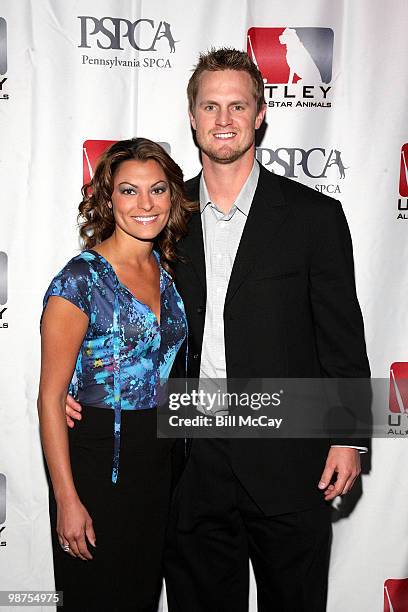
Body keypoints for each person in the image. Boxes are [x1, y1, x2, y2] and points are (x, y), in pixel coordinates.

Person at [65, 50, 370, 612]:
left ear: (259, 114)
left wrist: (348, 436)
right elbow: (110, 296)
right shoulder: (162, 211)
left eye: (237, 105)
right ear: (193, 116)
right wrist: (80, 382)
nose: (223, 118)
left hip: (290, 452)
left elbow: (342, 335)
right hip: (190, 451)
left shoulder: (313, 216)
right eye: (211, 105)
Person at [38, 138, 194, 611]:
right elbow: (50, 398)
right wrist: (67, 498)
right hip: (96, 461)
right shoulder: (80, 279)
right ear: (107, 199)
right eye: (129, 191)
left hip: (158, 465)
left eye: (158, 190)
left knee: (141, 598)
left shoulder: (166, 269)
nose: (145, 204)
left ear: (173, 197)